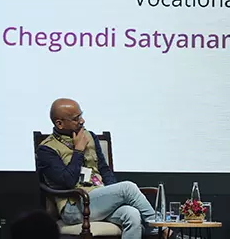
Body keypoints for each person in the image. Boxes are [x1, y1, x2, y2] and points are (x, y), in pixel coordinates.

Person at [36, 98, 161, 239]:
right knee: (128, 188)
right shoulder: (47, 149)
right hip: (75, 206)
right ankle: (162, 230)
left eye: (81, 115)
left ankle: (158, 229)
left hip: (99, 199)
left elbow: (104, 170)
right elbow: (67, 182)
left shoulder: (90, 136)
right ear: (59, 123)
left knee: (132, 214)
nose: (82, 121)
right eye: (76, 119)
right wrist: (78, 151)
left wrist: (113, 197)